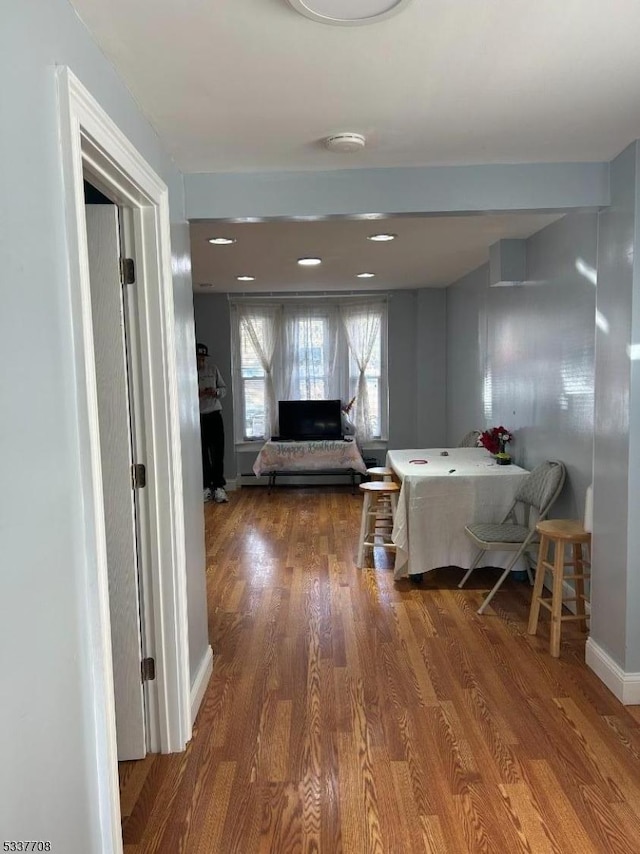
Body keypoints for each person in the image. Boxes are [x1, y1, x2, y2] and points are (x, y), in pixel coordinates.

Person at [196, 342, 228, 503]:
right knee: (202, 454)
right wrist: (197, 394)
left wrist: (215, 392)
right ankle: (206, 487)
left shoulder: (213, 369)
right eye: (198, 358)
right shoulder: (186, 372)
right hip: (198, 418)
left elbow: (224, 389)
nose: (201, 361)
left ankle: (219, 487)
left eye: (203, 358)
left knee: (218, 453)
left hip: (215, 415)